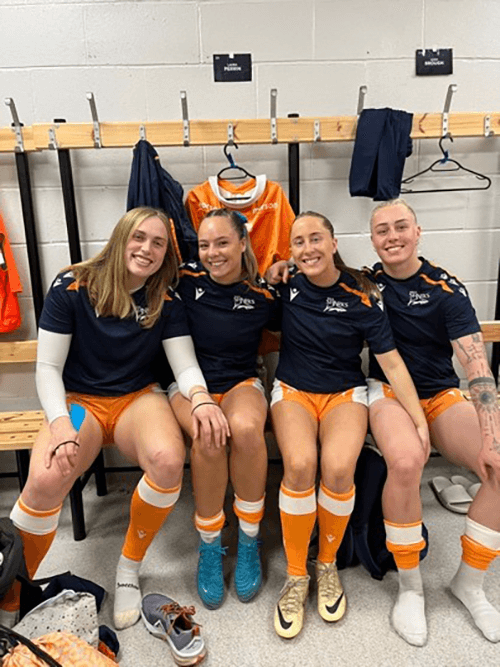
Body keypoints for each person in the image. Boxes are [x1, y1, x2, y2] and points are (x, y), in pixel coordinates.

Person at [0, 207, 229, 631]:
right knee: (47, 476)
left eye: (158, 243)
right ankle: (10, 593)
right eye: (139, 237)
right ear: (121, 237)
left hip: (136, 398)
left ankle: (128, 569)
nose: (147, 249)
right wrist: (59, 423)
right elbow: (47, 367)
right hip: (78, 400)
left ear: (166, 253)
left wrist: (200, 398)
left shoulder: (165, 298)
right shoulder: (73, 285)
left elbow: (184, 364)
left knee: (167, 459)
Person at [267, 211, 430, 639]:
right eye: (298, 242)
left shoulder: (361, 295)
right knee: (299, 464)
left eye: (316, 238)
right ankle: (296, 575)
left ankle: (327, 565)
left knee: (339, 469)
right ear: (291, 251)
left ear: (334, 243)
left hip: (344, 393)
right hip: (294, 391)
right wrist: (271, 272)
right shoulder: (287, 285)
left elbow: (391, 363)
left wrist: (419, 421)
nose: (308, 249)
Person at [365, 198, 500, 646]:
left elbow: (476, 364)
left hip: (439, 395)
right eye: (382, 230)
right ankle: (410, 588)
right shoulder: (366, 284)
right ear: (373, 240)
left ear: (418, 232)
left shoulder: (446, 289)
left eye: (401, 226)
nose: (393, 237)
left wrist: (491, 436)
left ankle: (470, 584)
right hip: (387, 393)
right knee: (406, 462)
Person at [168, 208, 279, 610]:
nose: (212, 253)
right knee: (208, 434)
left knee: (246, 428)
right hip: (186, 386)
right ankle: (210, 544)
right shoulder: (183, 281)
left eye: (222, 242)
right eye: (204, 245)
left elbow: (306, 316)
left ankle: (248, 539)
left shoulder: (262, 296)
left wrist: (287, 270)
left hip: (239, 381)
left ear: (243, 243)